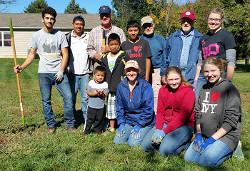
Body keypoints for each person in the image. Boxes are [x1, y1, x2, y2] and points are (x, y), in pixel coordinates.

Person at [13, 7, 78, 134]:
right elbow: (32, 54)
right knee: (46, 100)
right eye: (47, 18)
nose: (49, 20)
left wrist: (61, 70)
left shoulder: (60, 35)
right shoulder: (36, 36)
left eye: (52, 18)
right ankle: (51, 125)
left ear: (54, 20)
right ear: (42, 19)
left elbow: (65, 54)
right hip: (43, 73)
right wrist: (22, 67)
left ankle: (70, 125)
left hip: (59, 72)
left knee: (69, 97)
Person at [184, 56, 242, 167]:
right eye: (206, 71)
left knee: (205, 162)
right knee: (189, 159)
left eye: (213, 70)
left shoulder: (230, 89)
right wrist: (199, 134)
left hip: (226, 135)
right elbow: (198, 114)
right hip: (205, 134)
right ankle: (211, 147)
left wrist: (211, 140)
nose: (209, 74)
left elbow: (231, 121)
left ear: (220, 70)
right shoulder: (203, 88)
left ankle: (233, 149)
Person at [141, 66, 195, 156]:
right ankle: (167, 141)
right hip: (166, 122)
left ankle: (186, 143)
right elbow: (160, 112)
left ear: (181, 78)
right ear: (166, 80)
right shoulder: (162, 90)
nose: (174, 82)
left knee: (165, 151)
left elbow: (183, 117)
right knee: (146, 146)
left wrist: (164, 132)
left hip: (183, 125)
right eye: (171, 80)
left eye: (176, 79)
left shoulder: (188, 92)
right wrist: (158, 129)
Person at [194, 8, 237, 98]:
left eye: (217, 19)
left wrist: (227, 82)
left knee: (217, 103)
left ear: (221, 21)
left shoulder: (227, 36)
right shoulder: (203, 38)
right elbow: (200, 61)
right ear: (207, 20)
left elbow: (231, 62)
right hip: (203, 75)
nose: (213, 22)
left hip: (219, 75)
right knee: (198, 100)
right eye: (211, 19)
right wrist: (196, 80)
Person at [114, 60, 155, 146]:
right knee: (117, 141)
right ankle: (129, 131)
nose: (131, 73)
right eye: (128, 70)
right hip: (129, 120)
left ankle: (149, 131)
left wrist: (140, 125)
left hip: (144, 121)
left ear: (138, 71)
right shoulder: (121, 85)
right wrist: (121, 123)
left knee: (132, 143)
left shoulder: (145, 86)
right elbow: (119, 106)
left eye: (134, 70)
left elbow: (148, 109)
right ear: (125, 72)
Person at [160, 11, 202, 85]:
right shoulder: (172, 37)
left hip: (191, 77)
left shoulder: (200, 38)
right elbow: (165, 57)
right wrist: (163, 75)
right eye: (184, 21)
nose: (186, 23)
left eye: (189, 21)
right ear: (181, 21)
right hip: (173, 77)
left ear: (193, 22)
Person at [101, 33, 130, 136]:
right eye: (111, 44)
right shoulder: (105, 58)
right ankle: (112, 127)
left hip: (121, 87)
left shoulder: (123, 56)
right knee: (111, 108)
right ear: (108, 45)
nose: (114, 46)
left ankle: (124, 124)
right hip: (109, 87)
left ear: (119, 44)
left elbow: (128, 70)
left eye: (116, 44)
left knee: (122, 106)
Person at [66, 15, 92, 122]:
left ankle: (86, 120)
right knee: (71, 98)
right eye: (77, 24)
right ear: (73, 25)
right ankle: (71, 120)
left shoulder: (88, 37)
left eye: (81, 24)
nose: (79, 26)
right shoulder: (67, 37)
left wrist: (92, 70)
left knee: (85, 98)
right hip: (71, 73)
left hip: (85, 73)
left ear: (84, 25)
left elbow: (92, 52)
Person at [140, 16, 166, 113]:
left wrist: (163, 72)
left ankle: (156, 115)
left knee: (156, 92)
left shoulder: (160, 39)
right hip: (143, 70)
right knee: (143, 92)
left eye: (149, 25)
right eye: (145, 26)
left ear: (153, 25)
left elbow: (165, 55)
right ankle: (144, 113)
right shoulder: (140, 39)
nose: (148, 28)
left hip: (157, 70)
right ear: (142, 28)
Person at [83, 66, 109, 136]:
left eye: (102, 75)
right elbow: (88, 92)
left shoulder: (105, 84)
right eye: (98, 75)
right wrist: (94, 94)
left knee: (99, 119)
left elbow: (106, 94)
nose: (100, 77)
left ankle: (97, 130)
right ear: (94, 75)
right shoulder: (91, 82)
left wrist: (102, 94)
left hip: (100, 106)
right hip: (91, 105)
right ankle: (86, 131)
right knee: (89, 119)